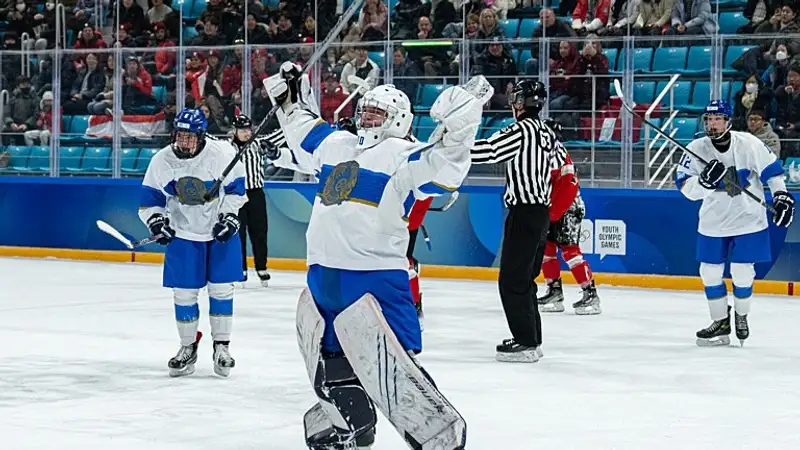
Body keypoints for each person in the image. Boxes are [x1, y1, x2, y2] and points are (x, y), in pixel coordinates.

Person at [261, 62, 488, 449]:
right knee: (330, 361)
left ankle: (429, 431)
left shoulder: (404, 155)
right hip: (323, 274)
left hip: (376, 276)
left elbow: (448, 169)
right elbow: (302, 132)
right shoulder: (337, 144)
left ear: (398, 120)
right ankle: (353, 429)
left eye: (376, 113)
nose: (366, 117)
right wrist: (290, 95)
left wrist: (461, 126)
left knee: (397, 364)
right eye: (364, 109)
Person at [675, 100, 795, 347]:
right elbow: (687, 189)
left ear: (729, 121)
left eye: (718, 118)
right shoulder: (696, 148)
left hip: (748, 219)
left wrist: (781, 195)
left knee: (742, 271)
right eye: (709, 119)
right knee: (709, 271)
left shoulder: (749, 144)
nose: (712, 123)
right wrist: (704, 184)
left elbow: (773, 172)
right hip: (713, 221)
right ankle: (720, 321)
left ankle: (741, 315)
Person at [138, 108, 246, 377]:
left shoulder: (221, 154)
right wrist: (156, 222)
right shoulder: (162, 161)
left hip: (219, 232)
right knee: (184, 294)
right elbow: (150, 200)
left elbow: (237, 190)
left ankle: (222, 347)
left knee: (222, 290)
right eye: (180, 136)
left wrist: (229, 217)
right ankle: (188, 346)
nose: (183, 142)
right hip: (184, 233)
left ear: (201, 136)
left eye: (190, 137)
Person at [470, 80, 566, 363]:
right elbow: (560, 159)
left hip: (524, 212)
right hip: (541, 213)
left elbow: (488, 151)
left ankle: (526, 342)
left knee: (512, 279)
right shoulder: (546, 132)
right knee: (524, 278)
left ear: (521, 103)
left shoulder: (520, 130)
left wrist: (451, 149)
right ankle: (532, 339)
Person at [538, 120, 601, 315]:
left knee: (570, 250)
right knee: (546, 249)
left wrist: (553, 213)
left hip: (568, 207)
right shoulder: (543, 154)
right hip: (552, 207)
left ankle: (590, 293)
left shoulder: (556, 155)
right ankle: (554, 291)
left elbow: (568, 186)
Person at [231, 114, 271, 288]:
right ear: (235, 131)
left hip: (256, 194)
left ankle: (261, 267)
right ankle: (241, 270)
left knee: (259, 232)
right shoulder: (228, 148)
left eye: (248, 129)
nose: (247, 133)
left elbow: (281, 134)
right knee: (238, 235)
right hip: (237, 195)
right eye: (242, 130)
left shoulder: (258, 143)